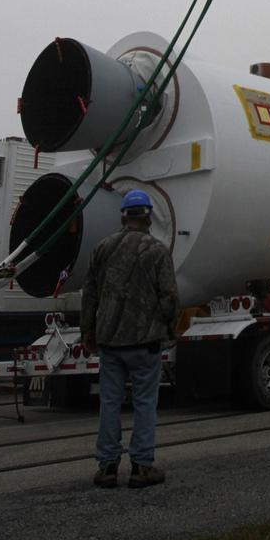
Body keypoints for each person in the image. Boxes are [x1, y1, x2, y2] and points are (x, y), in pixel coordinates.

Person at [81, 189, 178, 489]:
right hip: (145, 342)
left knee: (110, 402)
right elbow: (169, 297)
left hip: (110, 342)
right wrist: (169, 328)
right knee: (145, 403)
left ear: (123, 217)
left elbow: (90, 295)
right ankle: (142, 467)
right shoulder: (158, 251)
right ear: (148, 217)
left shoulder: (102, 248)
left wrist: (88, 332)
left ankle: (107, 467)